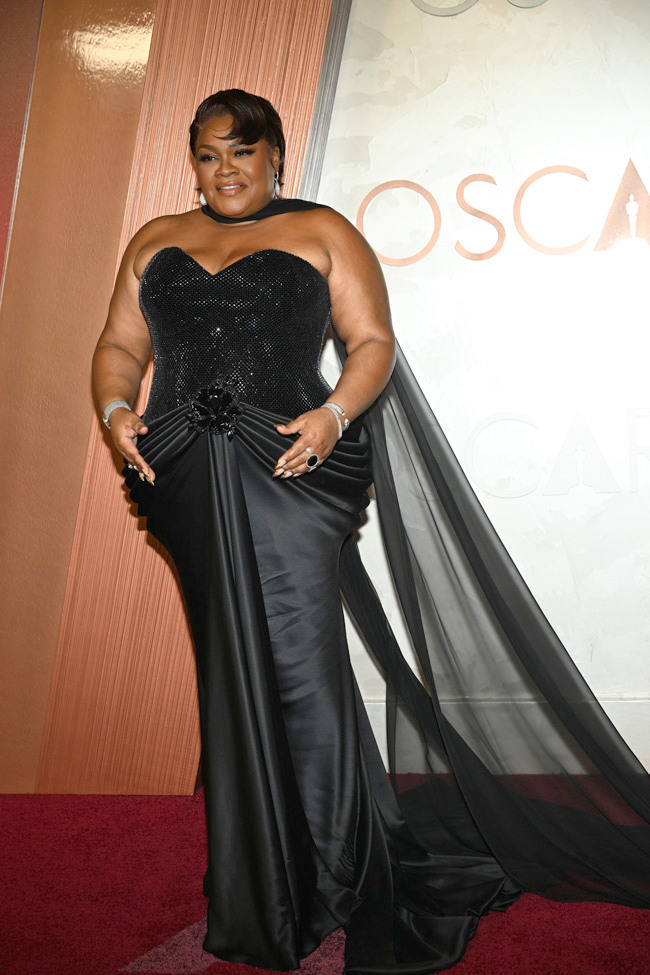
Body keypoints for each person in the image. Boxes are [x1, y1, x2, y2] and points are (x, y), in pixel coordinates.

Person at [93, 90, 650, 974]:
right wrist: (117, 410)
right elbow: (120, 348)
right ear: (192, 162)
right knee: (227, 662)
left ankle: (333, 864)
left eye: (243, 151)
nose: (226, 169)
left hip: (291, 466)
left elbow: (372, 342)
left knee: (300, 666)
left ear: (277, 155)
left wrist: (333, 416)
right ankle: (258, 871)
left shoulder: (322, 230)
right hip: (185, 475)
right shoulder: (154, 240)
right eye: (208, 154)